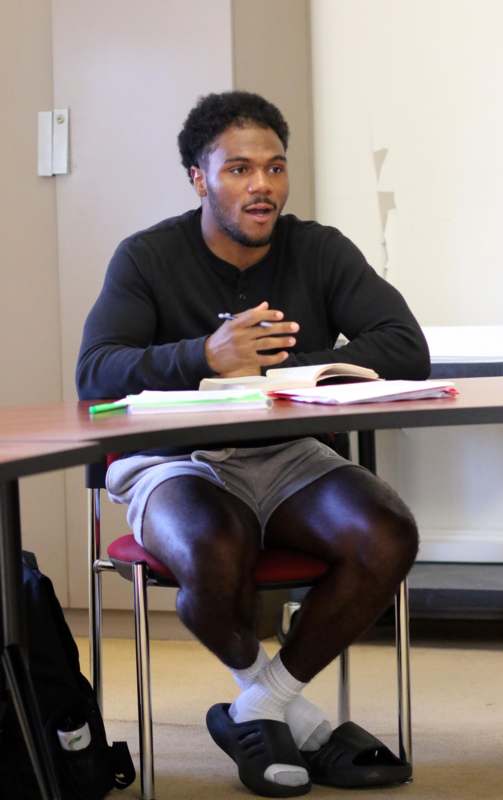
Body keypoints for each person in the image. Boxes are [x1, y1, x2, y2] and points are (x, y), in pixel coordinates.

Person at [77, 91, 430, 798]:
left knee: (385, 533)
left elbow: (405, 346)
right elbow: (95, 372)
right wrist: (203, 356)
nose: (261, 185)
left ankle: (256, 709)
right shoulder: (147, 257)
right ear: (198, 178)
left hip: (286, 451)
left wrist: (294, 373)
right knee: (213, 543)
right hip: (173, 458)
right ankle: (298, 719)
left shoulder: (319, 248)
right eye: (238, 168)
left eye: (273, 167)